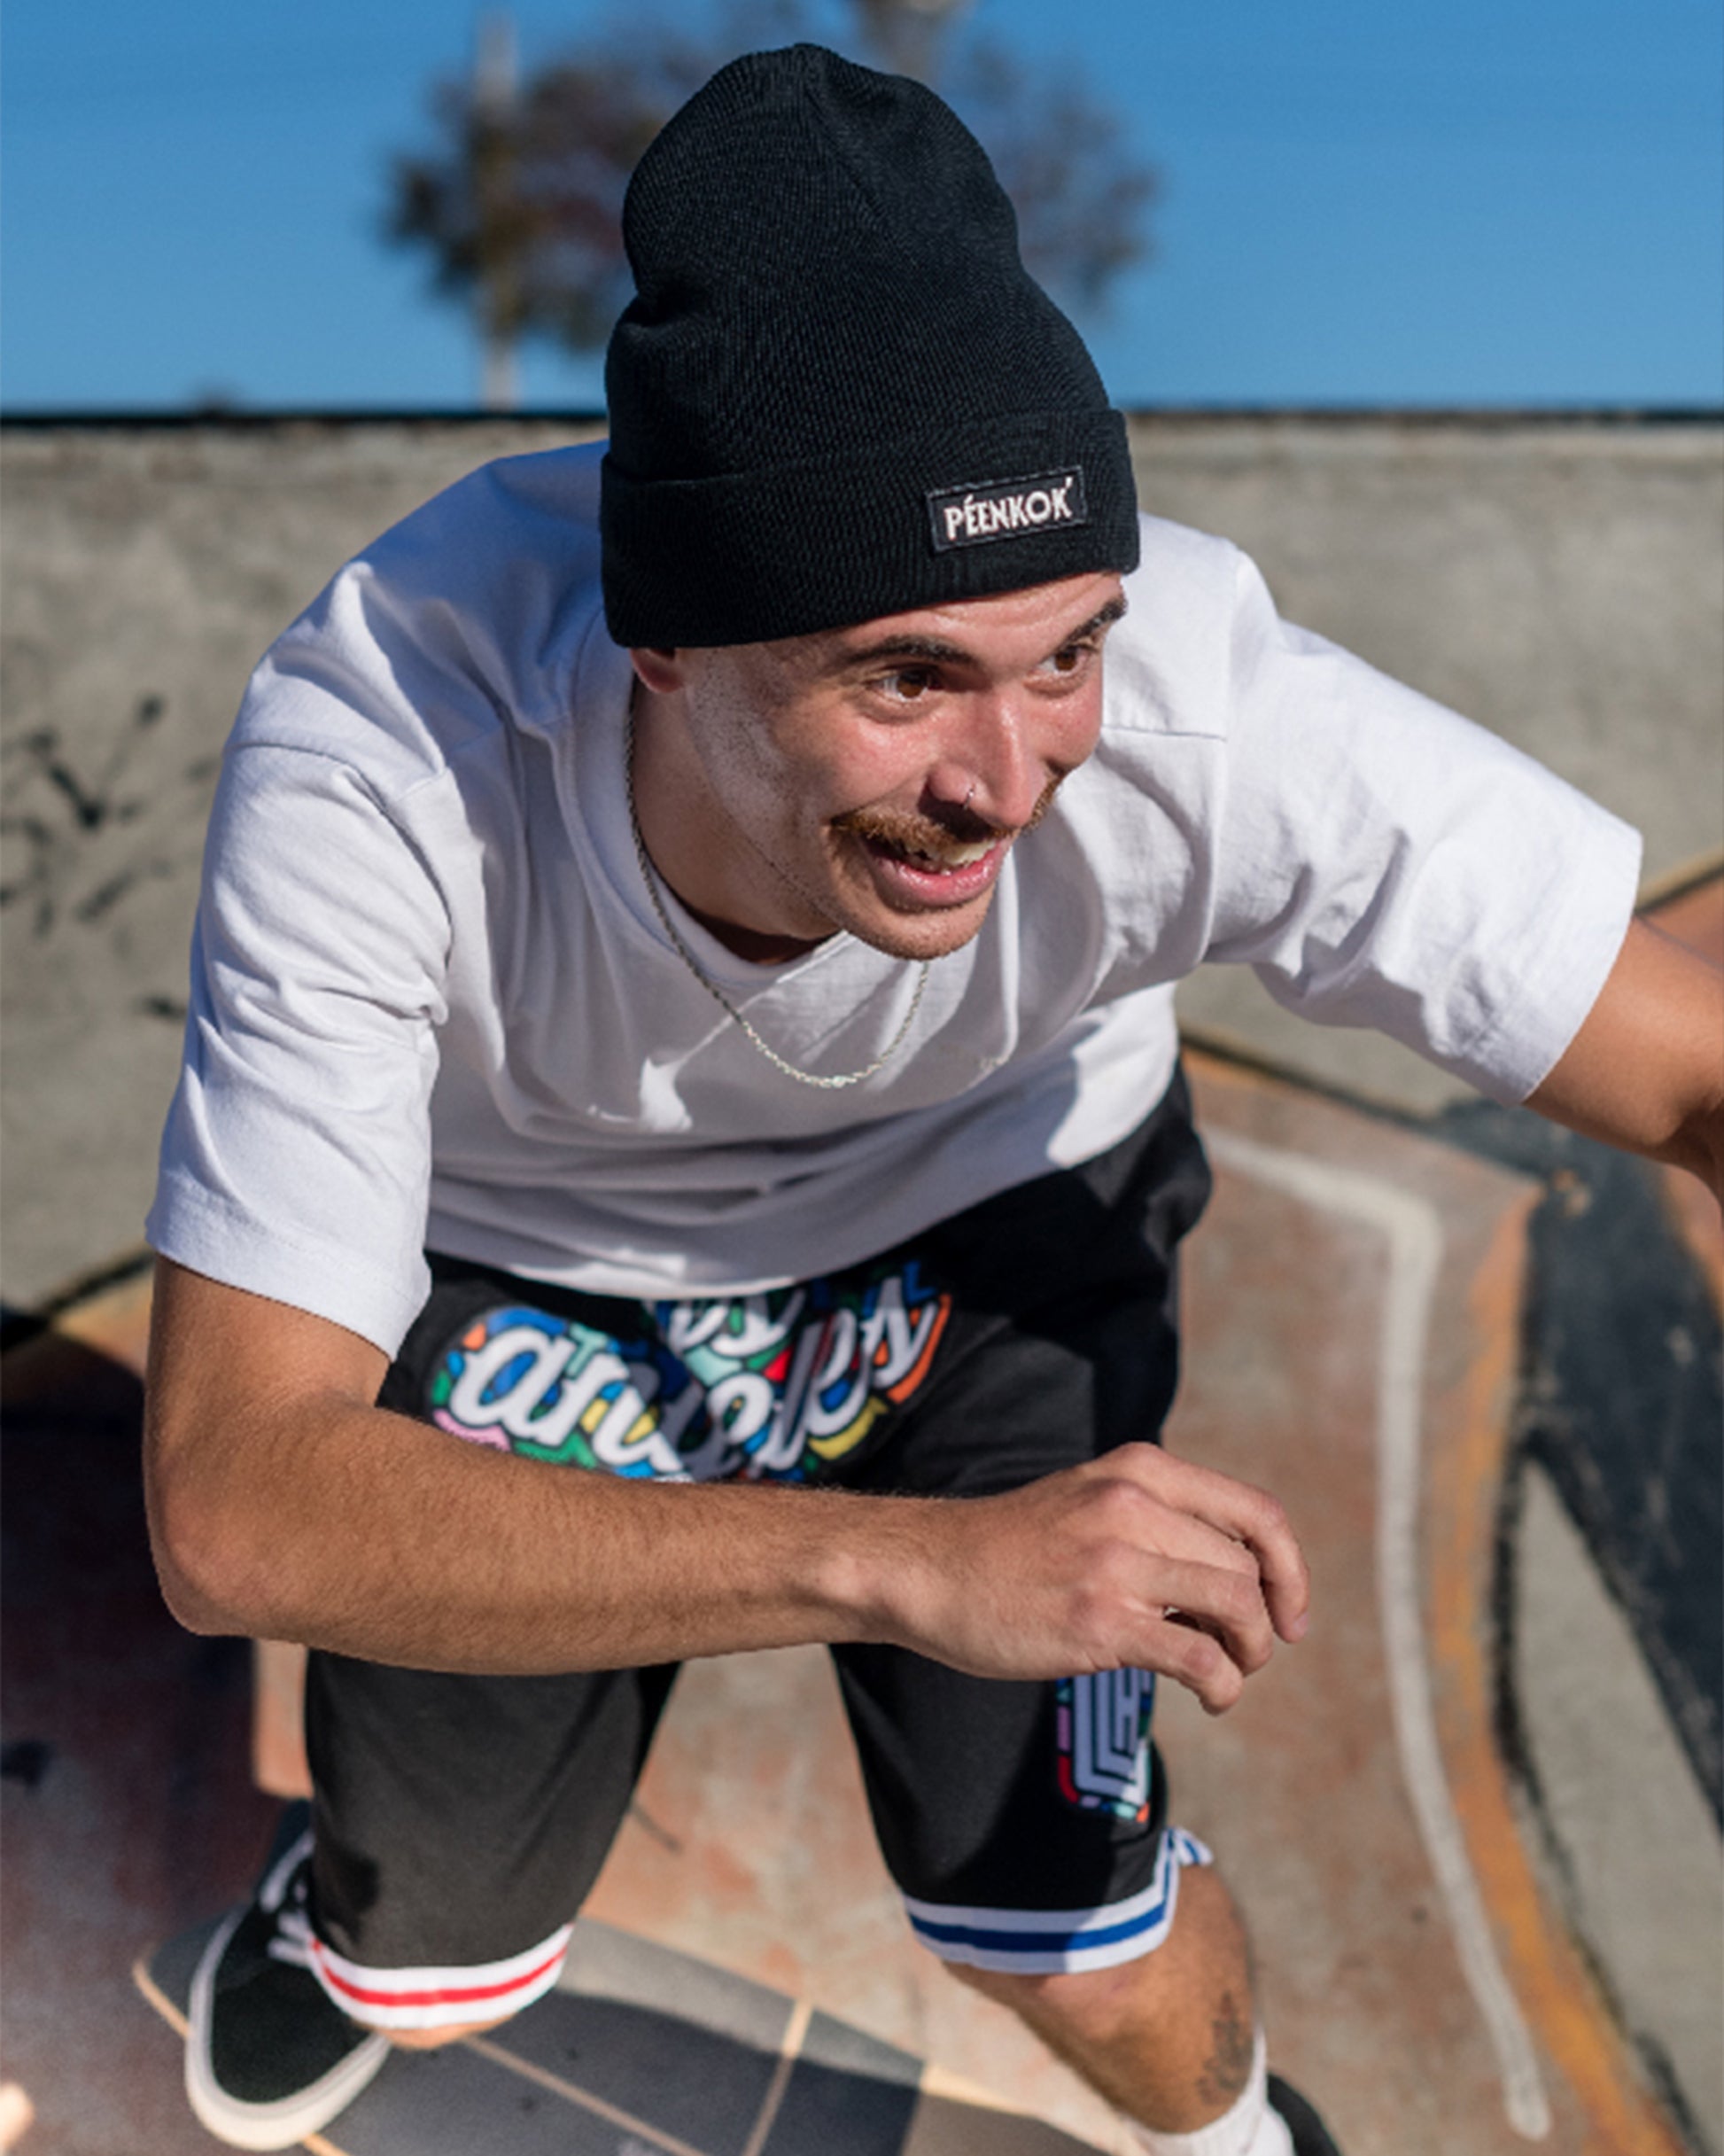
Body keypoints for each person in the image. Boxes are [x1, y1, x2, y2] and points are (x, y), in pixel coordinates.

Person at [142, 44, 1722, 2156]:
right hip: (544, 1277)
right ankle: (355, 1914)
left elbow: (1694, 1067)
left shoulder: (1206, 716)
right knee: (430, 1965)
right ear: (669, 642)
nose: (1005, 778)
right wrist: (900, 1566)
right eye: (902, 678)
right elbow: (239, 1498)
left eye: (1061, 653)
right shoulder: (388, 749)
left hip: (994, 1222)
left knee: (1067, 1928)